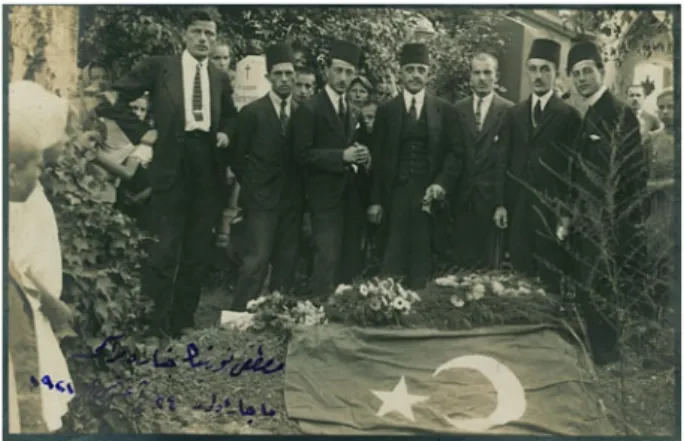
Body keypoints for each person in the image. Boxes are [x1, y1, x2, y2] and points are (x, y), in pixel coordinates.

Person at [97, 9, 238, 338]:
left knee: (197, 250)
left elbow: (231, 117)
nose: (204, 39)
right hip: (171, 164)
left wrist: (226, 133)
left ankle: (183, 322)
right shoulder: (160, 67)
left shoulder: (219, 78)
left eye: (210, 34)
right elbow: (110, 99)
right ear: (185, 36)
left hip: (207, 167)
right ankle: (152, 325)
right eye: (198, 32)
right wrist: (141, 132)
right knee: (162, 249)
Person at [566, 40, 647, 366]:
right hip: (587, 219)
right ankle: (597, 351)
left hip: (609, 222)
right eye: (576, 74)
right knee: (589, 287)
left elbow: (633, 173)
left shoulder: (618, 112)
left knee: (602, 288)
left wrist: (619, 222)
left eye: (587, 71)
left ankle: (607, 356)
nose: (582, 79)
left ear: (602, 72)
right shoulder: (589, 113)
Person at [367, 43, 465, 289]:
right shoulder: (387, 111)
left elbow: (456, 153)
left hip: (428, 195)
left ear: (428, 74)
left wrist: (441, 183)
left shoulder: (445, 111)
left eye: (421, 69)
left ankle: (420, 312)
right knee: (393, 256)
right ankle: (390, 310)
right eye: (409, 69)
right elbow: (377, 159)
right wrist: (376, 200)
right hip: (396, 195)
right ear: (400, 73)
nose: (415, 75)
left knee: (423, 259)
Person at [8, 80, 75, 433]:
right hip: (26, 313)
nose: (64, 141)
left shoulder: (30, 192)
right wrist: (54, 303)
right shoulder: (23, 199)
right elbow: (21, 269)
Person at [291, 40, 370, 296]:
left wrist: (361, 156)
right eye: (338, 71)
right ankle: (318, 315)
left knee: (348, 257)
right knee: (326, 258)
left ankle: (341, 316)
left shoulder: (352, 110)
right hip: (323, 197)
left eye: (349, 72)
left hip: (350, 196)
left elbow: (351, 146)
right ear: (327, 71)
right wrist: (341, 157)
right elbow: (301, 155)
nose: (343, 77)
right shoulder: (310, 108)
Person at [505, 39, 582, 294]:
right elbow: (506, 160)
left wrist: (567, 212)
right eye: (533, 69)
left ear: (556, 73)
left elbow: (574, 169)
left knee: (549, 280)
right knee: (518, 278)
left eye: (545, 69)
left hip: (551, 211)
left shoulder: (568, 116)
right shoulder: (515, 114)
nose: (538, 76)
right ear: (527, 71)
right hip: (519, 209)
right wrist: (504, 204)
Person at [230, 44, 303, 311]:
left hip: (292, 201)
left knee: (287, 260)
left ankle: (275, 315)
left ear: (295, 76)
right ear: (269, 78)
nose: (284, 79)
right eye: (278, 74)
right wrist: (255, 186)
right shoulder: (252, 112)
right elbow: (238, 158)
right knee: (256, 260)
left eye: (289, 73)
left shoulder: (302, 112)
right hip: (261, 201)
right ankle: (239, 316)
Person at [451, 53, 513, 270]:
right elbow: (453, 154)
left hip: (491, 202)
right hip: (461, 201)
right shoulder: (458, 109)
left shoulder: (508, 111)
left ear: (497, 76)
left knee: (489, 270)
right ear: (470, 77)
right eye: (477, 72)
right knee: (461, 266)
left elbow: (508, 162)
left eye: (487, 72)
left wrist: (502, 203)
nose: (482, 78)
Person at [643, 87, 675, 309]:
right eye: (661, 108)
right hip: (658, 212)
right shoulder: (652, 140)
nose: (665, 112)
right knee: (658, 264)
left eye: (671, 107)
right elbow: (639, 181)